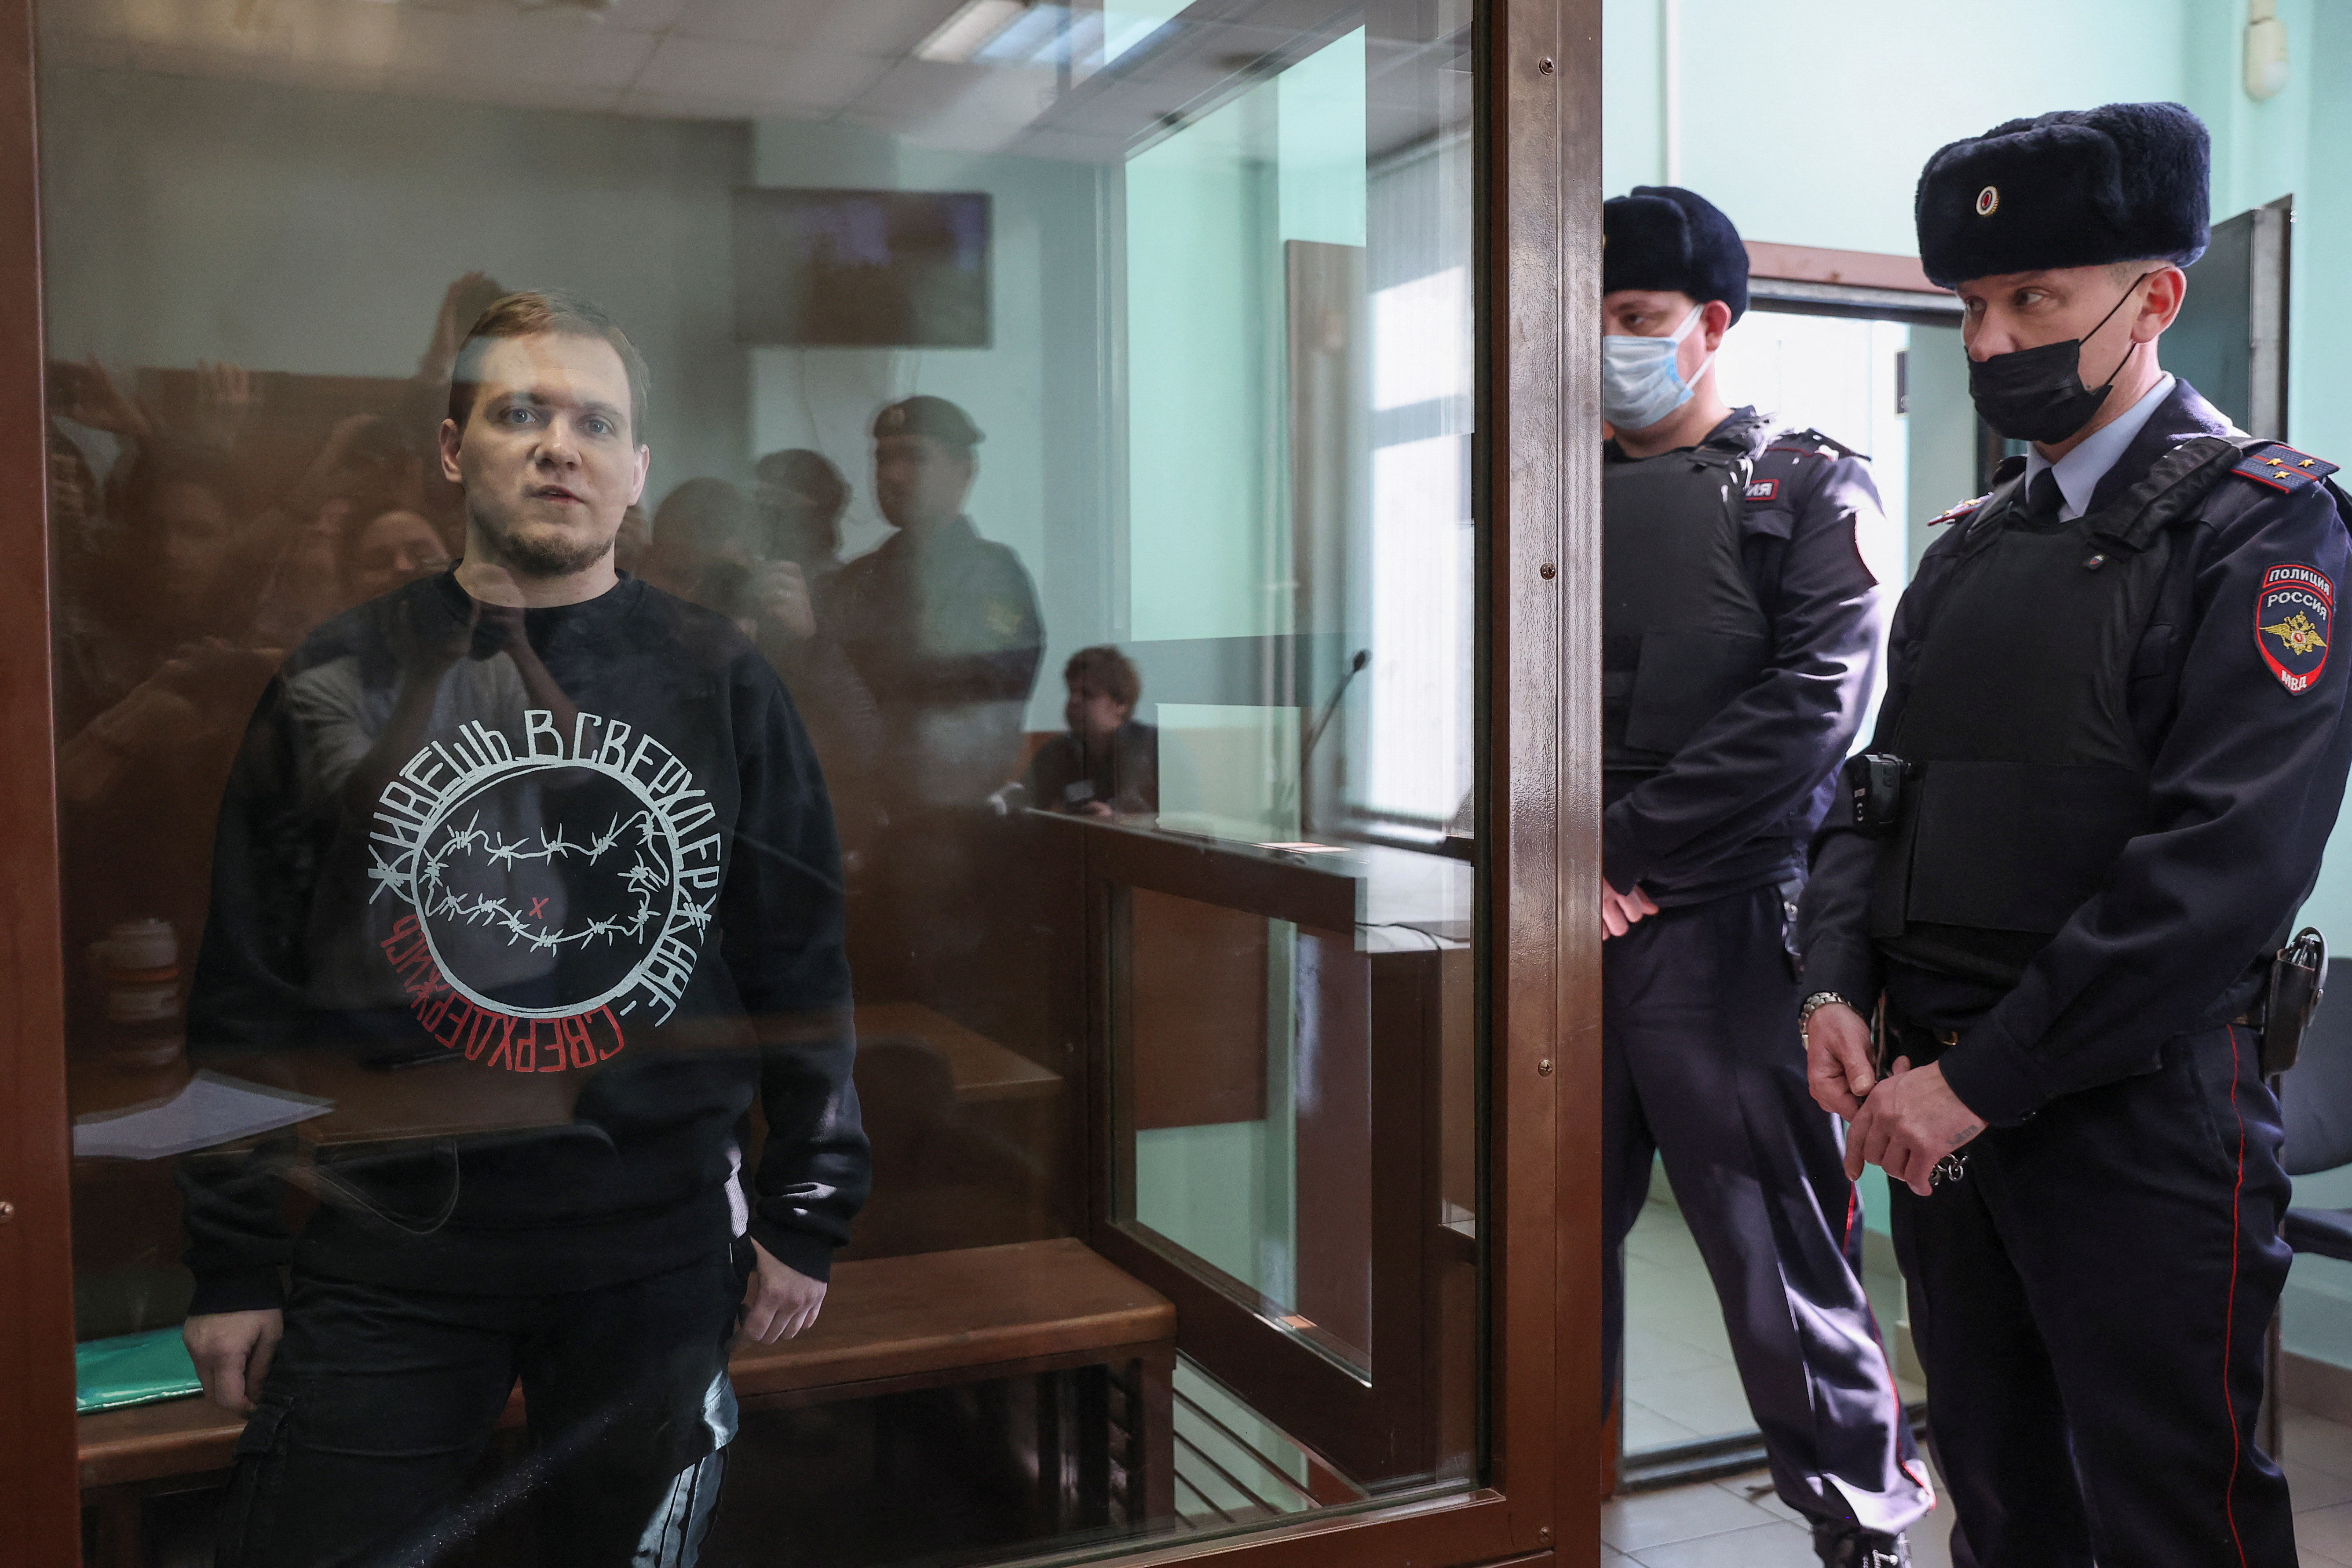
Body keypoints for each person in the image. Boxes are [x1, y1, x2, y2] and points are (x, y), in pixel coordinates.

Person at [177, 290, 869, 1567]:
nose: (563, 446)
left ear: (638, 469)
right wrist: (226, 1261)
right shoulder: (343, 673)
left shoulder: (720, 678)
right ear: (453, 448)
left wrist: (807, 1207)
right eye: (521, 413)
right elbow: (245, 981)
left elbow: (801, 958)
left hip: (652, 1250)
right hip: (392, 1252)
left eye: (597, 421)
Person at [1798, 102, 2352, 1568]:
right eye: (1972, 305)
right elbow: (1871, 795)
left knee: (2175, 1515)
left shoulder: (2263, 531)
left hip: (2131, 1113)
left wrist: (1976, 1081)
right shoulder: (1964, 551)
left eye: (2033, 299)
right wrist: (1828, 986)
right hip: (1938, 1106)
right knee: (1998, 1493)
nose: (1989, 341)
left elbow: (2215, 870)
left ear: (2151, 296)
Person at [1594, 186, 1927, 1568]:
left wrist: (1620, 854)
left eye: (1633, 318)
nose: (1604, 345)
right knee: (1535, 1249)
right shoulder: (1540, 491)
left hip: (1727, 931)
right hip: (1560, 927)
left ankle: (1862, 1528)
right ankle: (1554, 1509)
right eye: (1585, 317)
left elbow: (1813, 713)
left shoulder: (1804, 485)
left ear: (1710, 323)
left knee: (1780, 1260)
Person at [825, 396, 1044, 811]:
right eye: (883, 459)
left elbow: (968, 701)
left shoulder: (992, 576)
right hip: (860, 814)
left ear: (965, 473)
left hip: (953, 824)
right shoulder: (856, 580)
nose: (892, 475)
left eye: (914, 457)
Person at [1027, 645, 1159, 816]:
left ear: (1120, 704)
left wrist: (1117, 821)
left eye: (1088, 694)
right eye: (1071, 692)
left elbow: (1188, 820)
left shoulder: (1154, 748)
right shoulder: (1058, 752)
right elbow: (1024, 807)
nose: (1074, 701)